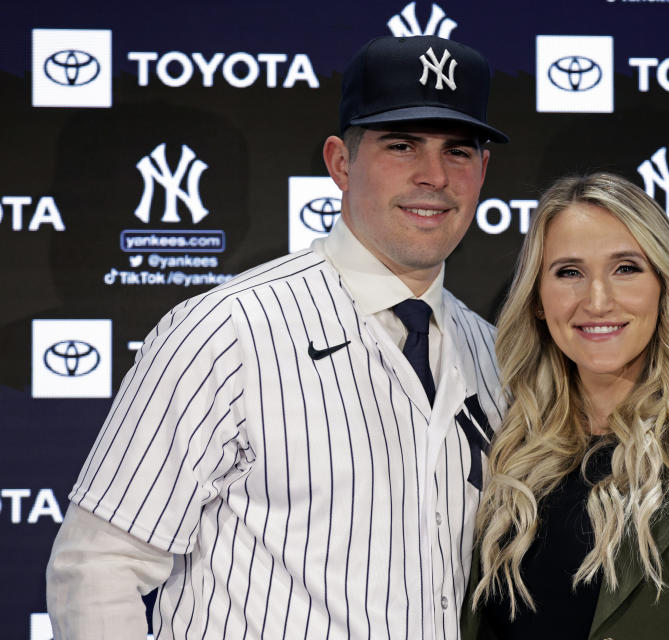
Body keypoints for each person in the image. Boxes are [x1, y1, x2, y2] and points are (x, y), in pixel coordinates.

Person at [46, 35, 508, 640]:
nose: (434, 176)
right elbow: (97, 568)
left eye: (458, 152)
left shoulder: (496, 352)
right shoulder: (224, 330)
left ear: (483, 171)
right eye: (402, 146)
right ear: (341, 162)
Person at [462, 173, 669, 640]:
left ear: (663, 284)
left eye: (626, 268)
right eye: (569, 273)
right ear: (538, 300)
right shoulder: (503, 424)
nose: (598, 301)